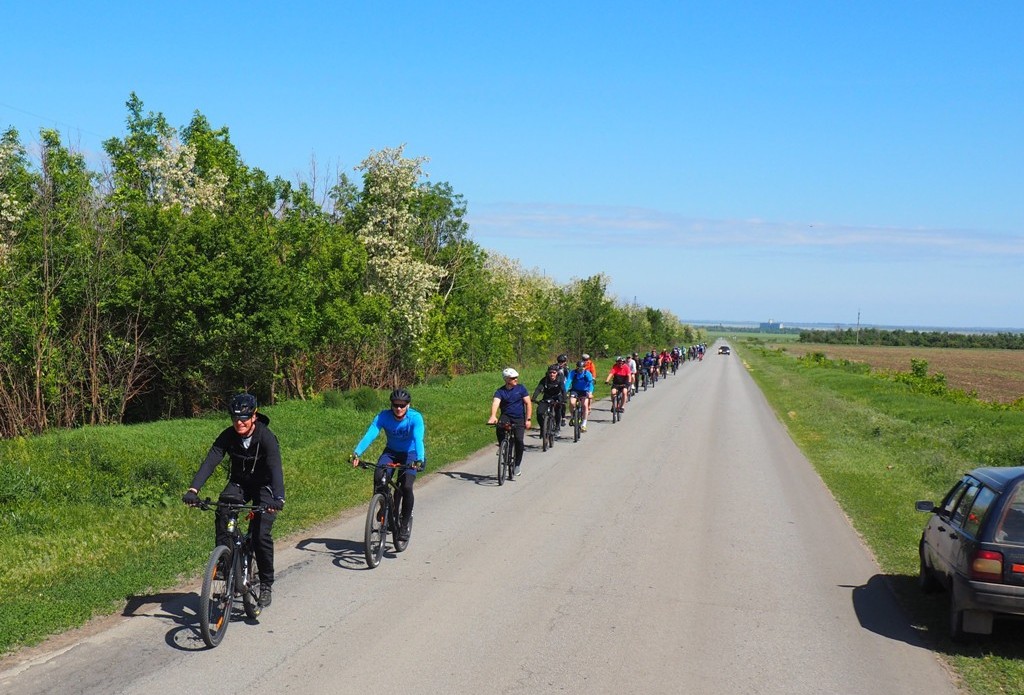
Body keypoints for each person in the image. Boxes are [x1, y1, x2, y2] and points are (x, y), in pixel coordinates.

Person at [183, 393, 284, 608]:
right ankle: (225, 564)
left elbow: (276, 468)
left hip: (264, 488)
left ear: (254, 416)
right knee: (222, 512)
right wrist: (193, 489)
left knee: (260, 534)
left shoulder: (266, 437)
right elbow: (211, 461)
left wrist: (278, 498)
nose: (239, 422)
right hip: (239, 484)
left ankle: (266, 583)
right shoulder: (228, 436)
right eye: (235, 418)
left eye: (244, 418)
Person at [350, 388, 425, 542]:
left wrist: (420, 459)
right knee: (379, 476)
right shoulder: (383, 416)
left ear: (408, 405)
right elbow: (370, 434)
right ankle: (383, 504)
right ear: (391, 404)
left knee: (406, 487)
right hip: (391, 452)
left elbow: (418, 439)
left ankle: (403, 525)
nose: (398, 408)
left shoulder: (415, 418)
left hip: (410, 454)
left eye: (402, 405)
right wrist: (356, 453)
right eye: (396, 405)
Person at [487, 367, 532, 475]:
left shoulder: (521, 388)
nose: (516, 379)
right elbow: (496, 403)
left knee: (519, 441)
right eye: (513, 378)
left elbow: (528, 403)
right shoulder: (500, 391)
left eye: (516, 377)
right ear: (506, 379)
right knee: (499, 427)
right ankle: (502, 445)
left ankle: (517, 465)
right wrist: (493, 416)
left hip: (519, 417)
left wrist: (528, 419)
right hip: (506, 416)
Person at [532, 364, 566, 437]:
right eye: (550, 372)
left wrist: (564, 399)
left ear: (557, 373)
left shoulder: (560, 379)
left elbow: (563, 390)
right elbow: (538, 389)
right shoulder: (545, 380)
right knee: (539, 412)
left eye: (554, 372)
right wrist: (534, 398)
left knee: (558, 409)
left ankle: (557, 427)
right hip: (547, 397)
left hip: (557, 397)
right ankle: (543, 427)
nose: (552, 374)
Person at [565, 360, 595, 432]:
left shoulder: (587, 374)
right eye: (579, 368)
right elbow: (568, 382)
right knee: (572, 402)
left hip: (585, 391)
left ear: (584, 368)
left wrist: (590, 393)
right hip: (575, 390)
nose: (580, 369)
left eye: (582, 368)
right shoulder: (573, 372)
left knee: (585, 405)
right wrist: (565, 392)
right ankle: (572, 417)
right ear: (576, 367)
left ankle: (584, 424)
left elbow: (591, 384)